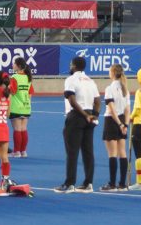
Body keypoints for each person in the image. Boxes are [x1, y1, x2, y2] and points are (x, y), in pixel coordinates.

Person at [54, 56, 100, 194]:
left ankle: (70, 183)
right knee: (88, 151)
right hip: (89, 115)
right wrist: (94, 115)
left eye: (70, 64)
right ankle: (88, 183)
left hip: (76, 116)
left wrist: (84, 115)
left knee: (72, 151)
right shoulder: (91, 81)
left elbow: (72, 100)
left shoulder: (71, 79)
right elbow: (98, 101)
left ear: (73, 66)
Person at [101, 64, 130, 191]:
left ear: (113, 73)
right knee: (122, 152)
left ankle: (112, 184)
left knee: (112, 154)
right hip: (122, 119)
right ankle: (122, 184)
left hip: (112, 121)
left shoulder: (109, 88)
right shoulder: (125, 89)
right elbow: (127, 109)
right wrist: (125, 124)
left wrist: (119, 124)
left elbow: (111, 109)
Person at [9, 57, 34, 158]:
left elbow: (12, 91)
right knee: (23, 129)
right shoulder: (28, 77)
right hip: (26, 107)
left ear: (18, 66)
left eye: (14, 63)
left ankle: (16, 152)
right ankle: (23, 151)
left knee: (17, 129)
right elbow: (30, 93)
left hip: (16, 107)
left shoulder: (14, 77)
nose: (12, 65)